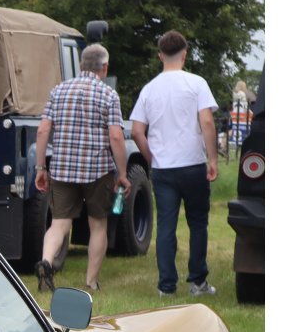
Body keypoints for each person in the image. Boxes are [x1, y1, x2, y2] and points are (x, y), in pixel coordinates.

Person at [33, 43, 130, 294]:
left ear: (81, 65)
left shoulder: (58, 91)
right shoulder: (108, 95)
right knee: (98, 224)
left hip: (63, 168)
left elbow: (43, 130)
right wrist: (122, 173)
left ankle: (46, 261)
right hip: (97, 170)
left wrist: (41, 167)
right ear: (105, 67)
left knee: (59, 224)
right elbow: (116, 137)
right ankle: (91, 282)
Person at [129, 31, 220, 297]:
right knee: (198, 223)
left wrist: (150, 156)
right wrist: (212, 158)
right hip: (192, 163)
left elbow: (137, 131)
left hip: (163, 168)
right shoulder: (197, 83)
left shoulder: (149, 89)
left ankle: (166, 286)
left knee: (166, 225)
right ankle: (198, 281)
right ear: (185, 54)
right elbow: (206, 121)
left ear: (160, 56)